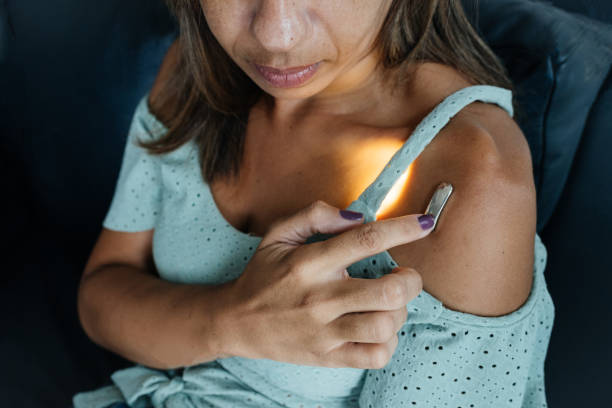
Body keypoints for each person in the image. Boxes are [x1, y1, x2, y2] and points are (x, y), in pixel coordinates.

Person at [73, 0, 555, 407]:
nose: (276, 35)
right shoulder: (190, 76)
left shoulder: (469, 178)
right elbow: (99, 295)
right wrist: (230, 321)